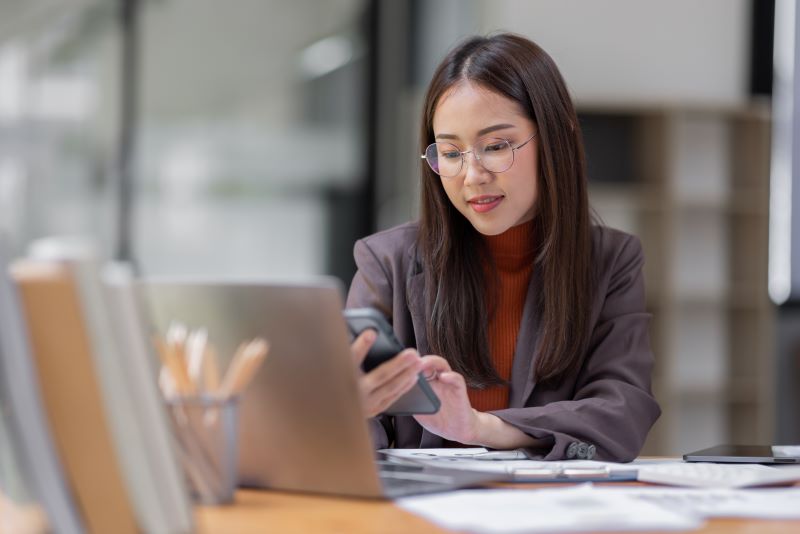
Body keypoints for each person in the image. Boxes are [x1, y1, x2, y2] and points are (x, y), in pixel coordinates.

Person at [346, 33, 660, 462]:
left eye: (495, 146)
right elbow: (357, 438)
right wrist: (346, 411)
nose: (472, 175)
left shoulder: (610, 261)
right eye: (451, 153)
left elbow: (620, 411)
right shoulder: (388, 262)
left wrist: (482, 428)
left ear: (554, 137)